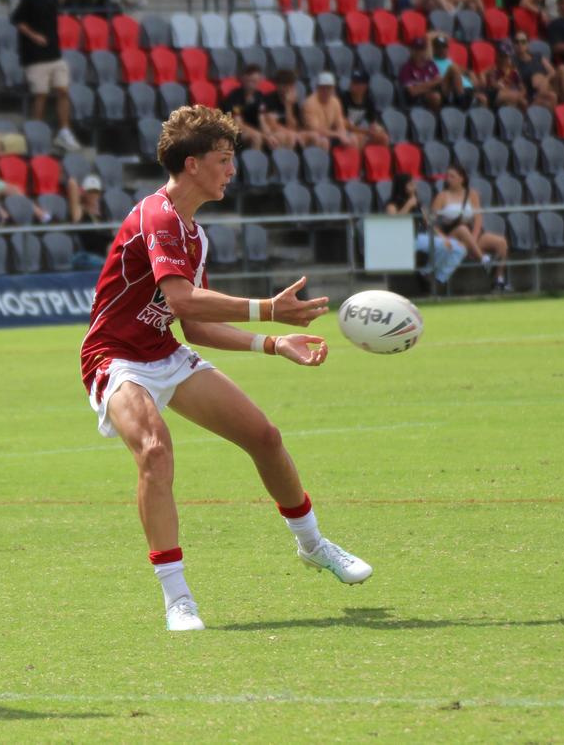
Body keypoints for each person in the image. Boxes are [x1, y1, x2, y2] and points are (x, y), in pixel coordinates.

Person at [79, 105, 372, 631]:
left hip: (162, 350)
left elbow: (195, 329)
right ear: (192, 164)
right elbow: (185, 301)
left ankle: (313, 545)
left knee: (263, 435)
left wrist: (273, 342)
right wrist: (268, 308)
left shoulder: (194, 234)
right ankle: (178, 599)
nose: (231, 170)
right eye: (222, 158)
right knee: (154, 449)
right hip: (114, 357)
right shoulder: (157, 216)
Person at [11, 0, 82, 152]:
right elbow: (17, 20)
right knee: (40, 94)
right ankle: (37, 130)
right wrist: (34, 36)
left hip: (54, 54)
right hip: (35, 57)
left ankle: (64, 131)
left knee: (63, 91)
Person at [432, 164, 510, 291]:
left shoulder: (472, 194)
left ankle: (498, 279)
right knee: (462, 229)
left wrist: (473, 238)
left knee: (501, 242)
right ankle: (483, 259)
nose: (448, 179)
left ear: (461, 178)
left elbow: (478, 218)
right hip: (452, 236)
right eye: (447, 176)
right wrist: (442, 237)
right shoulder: (442, 196)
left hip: (471, 234)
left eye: (452, 176)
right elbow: (432, 222)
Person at [385, 173, 466, 290]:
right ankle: (428, 274)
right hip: (401, 240)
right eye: (410, 184)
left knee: (459, 249)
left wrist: (444, 238)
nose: (414, 186)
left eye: (414, 184)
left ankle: (436, 277)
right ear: (402, 186)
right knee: (444, 247)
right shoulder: (392, 204)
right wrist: (408, 205)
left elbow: (428, 223)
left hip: (417, 237)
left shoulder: (417, 202)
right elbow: (393, 224)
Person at [258, 69, 328, 150]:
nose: (289, 89)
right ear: (278, 85)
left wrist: (288, 106)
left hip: (291, 132)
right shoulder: (269, 99)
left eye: (291, 85)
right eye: (286, 85)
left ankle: (317, 161)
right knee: (290, 137)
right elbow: (272, 125)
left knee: (317, 137)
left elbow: (293, 126)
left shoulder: (293, 102)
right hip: (274, 133)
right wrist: (292, 133)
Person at [513, 30, 564, 108]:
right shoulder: (514, 62)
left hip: (550, 84)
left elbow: (552, 71)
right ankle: (559, 116)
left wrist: (546, 79)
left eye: (523, 41)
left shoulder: (537, 56)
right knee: (537, 80)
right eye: (517, 42)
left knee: (562, 68)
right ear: (514, 44)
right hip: (535, 92)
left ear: (527, 44)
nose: (520, 44)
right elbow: (518, 80)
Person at [301, 72, 356, 149]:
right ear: (317, 88)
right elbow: (316, 129)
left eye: (329, 88)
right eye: (323, 88)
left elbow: (339, 123)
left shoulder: (335, 101)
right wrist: (338, 135)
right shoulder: (309, 103)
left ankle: (348, 161)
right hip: (311, 136)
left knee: (353, 138)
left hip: (329, 134)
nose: (326, 91)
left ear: (333, 89)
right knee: (322, 141)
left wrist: (343, 134)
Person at [69, 173, 114, 269]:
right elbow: (72, 184)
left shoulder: (103, 213)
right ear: (84, 193)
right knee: (82, 259)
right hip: (89, 254)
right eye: (90, 192)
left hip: (106, 254)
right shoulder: (80, 211)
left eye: (95, 192)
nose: (93, 195)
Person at [429, 33, 484, 108]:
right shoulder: (431, 61)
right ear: (434, 48)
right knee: (453, 68)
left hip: (467, 89)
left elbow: (464, 70)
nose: (441, 50)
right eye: (438, 47)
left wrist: (470, 73)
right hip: (448, 89)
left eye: (444, 47)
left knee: (483, 99)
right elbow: (427, 37)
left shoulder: (449, 61)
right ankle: (463, 102)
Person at [219, 64, 266, 150]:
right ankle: (254, 162)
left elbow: (262, 119)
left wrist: (269, 135)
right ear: (243, 79)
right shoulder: (235, 97)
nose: (252, 85)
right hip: (232, 130)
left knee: (279, 137)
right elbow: (238, 124)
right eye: (250, 81)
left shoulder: (259, 96)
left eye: (255, 82)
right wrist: (261, 135)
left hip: (253, 129)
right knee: (256, 138)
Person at [340, 69, 390, 148]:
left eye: (356, 83)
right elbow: (344, 124)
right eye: (352, 82)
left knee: (383, 137)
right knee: (356, 138)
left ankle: (377, 159)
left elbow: (373, 122)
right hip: (343, 131)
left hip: (359, 130)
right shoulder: (343, 98)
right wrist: (365, 131)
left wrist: (376, 129)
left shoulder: (369, 101)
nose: (352, 85)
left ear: (365, 86)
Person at [399, 37, 450, 111]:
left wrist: (422, 86)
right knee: (435, 96)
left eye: (422, 49)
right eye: (417, 50)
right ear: (412, 51)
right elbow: (412, 92)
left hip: (434, 92)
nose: (420, 52)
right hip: (417, 100)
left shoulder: (430, 64)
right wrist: (431, 84)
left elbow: (439, 80)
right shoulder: (406, 68)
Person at [481, 39, 528, 110]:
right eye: (503, 56)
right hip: (496, 96)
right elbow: (494, 85)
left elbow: (522, 87)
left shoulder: (513, 71)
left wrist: (520, 94)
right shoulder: (494, 69)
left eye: (507, 56)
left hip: (512, 95)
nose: (506, 59)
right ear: (498, 56)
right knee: (517, 100)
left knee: (522, 102)